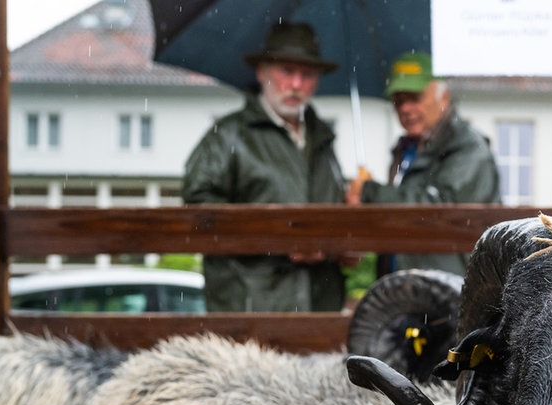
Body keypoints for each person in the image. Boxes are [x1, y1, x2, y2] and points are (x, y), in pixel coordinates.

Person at [182, 23, 348, 312]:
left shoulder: (324, 142)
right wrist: (279, 240)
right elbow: (199, 211)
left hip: (320, 305)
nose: (296, 84)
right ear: (262, 73)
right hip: (250, 307)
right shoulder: (228, 135)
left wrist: (342, 240)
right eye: (287, 71)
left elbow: (332, 214)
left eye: (307, 74)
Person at [346, 52, 501, 276]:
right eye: (398, 100)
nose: (405, 108)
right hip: (409, 287)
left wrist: (369, 192)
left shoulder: (469, 148)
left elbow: (441, 209)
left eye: (415, 98)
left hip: (448, 288)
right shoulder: (406, 149)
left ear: (444, 97)